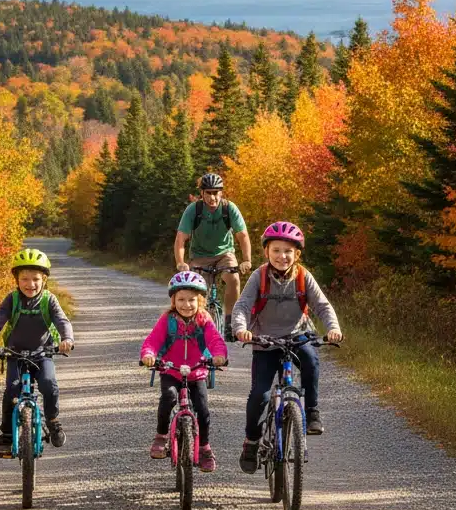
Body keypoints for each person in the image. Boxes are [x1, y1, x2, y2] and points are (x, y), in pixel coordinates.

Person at [230, 221, 343, 474]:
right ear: (267, 252)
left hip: (299, 335)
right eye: (277, 250)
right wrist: (241, 329)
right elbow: (242, 306)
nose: (282, 256)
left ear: (297, 254)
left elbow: (322, 306)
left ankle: (312, 411)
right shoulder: (259, 277)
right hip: (266, 341)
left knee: (312, 362)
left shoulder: (303, 276)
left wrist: (333, 328)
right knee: (260, 394)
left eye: (288, 251)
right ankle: (251, 442)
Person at [0, 247, 74, 458]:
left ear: (44, 279)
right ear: (17, 279)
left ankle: (52, 420)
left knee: (49, 385)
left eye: (36, 279)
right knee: (11, 391)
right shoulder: (12, 300)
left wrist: (67, 339)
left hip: (42, 352)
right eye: (25, 279)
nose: (30, 284)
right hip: (15, 354)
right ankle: (6, 436)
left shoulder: (49, 300)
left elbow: (61, 321)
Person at [140, 270, 228, 472]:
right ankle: (161, 436)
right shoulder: (167, 320)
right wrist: (149, 355)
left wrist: (219, 355)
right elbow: (153, 340)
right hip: (171, 371)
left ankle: (205, 448)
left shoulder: (204, 320)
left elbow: (215, 340)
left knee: (203, 411)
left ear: (201, 302)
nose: (186, 304)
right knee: (168, 398)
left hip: (197, 372)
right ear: (173, 300)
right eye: (181, 299)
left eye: (191, 300)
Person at [173, 172, 252, 340]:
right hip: (199, 256)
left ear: (221, 193)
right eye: (208, 192)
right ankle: (201, 325)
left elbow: (242, 235)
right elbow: (181, 239)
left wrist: (246, 260)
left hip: (225, 253)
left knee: (234, 279)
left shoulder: (229, 208)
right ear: (202, 193)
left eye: (216, 192)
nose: (212, 197)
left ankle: (230, 322)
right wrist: (180, 263)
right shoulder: (194, 210)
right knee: (199, 293)